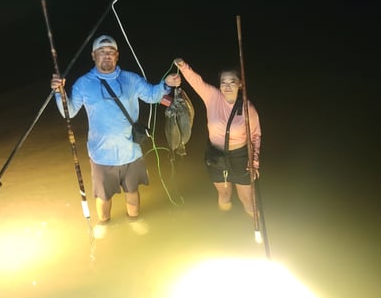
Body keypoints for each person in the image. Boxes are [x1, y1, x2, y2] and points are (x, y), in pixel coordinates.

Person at [50, 35, 180, 238]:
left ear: (117, 56)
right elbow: (69, 112)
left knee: (132, 190)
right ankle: (104, 223)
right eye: (102, 53)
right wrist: (60, 93)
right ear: (93, 56)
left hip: (131, 150)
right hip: (101, 154)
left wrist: (166, 84)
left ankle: (134, 219)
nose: (107, 56)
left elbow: (152, 95)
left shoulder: (130, 78)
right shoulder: (84, 83)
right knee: (103, 196)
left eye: (111, 52)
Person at [169, 58, 261, 217]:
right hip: (216, 156)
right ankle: (224, 224)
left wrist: (254, 162)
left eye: (232, 82)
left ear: (240, 84)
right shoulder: (212, 96)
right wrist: (183, 67)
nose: (227, 86)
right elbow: (197, 82)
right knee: (224, 196)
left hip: (240, 157)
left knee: (247, 200)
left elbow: (255, 135)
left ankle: (256, 229)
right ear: (219, 85)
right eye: (223, 82)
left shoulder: (247, 107)